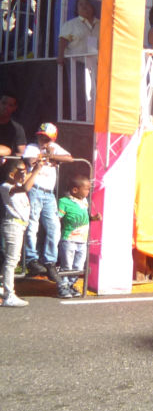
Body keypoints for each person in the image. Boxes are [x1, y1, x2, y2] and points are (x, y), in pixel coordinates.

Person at [22, 123, 73, 281]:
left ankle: (50, 261)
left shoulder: (54, 147)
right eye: (40, 136)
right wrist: (45, 155)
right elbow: (29, 161)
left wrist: (51, 156)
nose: (42, 140)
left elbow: (69, 158)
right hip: (35, 189)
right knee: (32, 225)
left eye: (46, 138)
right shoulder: (32, 147)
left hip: (49, 193)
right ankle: (31, 259)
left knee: (54, 227)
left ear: (52, 139)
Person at [1, 156, 42, 307]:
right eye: (21, 171)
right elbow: (25, 187)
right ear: (12, 174)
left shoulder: (16, 182)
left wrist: (35, 168)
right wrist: (36, 171)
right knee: (11, 261)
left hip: (19, 226)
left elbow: (25, 181)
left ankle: (5, 289)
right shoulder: (6, 186)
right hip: (13, 226)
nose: (25, 174)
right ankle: (9, 295)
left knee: (12, 259)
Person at [57, 0, 100, 121]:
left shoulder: (100, 23)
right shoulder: (71, 24)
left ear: (93, 7)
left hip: (96, 63)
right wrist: (60, 57)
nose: (84, 7)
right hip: (78, 63)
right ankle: (82, 119)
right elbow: (63, 40)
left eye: (87, 4)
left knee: (95, 92)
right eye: (81, 5)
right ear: (77, 9)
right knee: (81, 93)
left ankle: (95, 118)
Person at [56, 174, 97, 298]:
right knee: (67, 265)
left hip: (82, 240)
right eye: (86, 189)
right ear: (75, 190)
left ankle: (71, 285)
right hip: (69, 239)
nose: (88, 191)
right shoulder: (64, 201)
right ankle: (63, 286)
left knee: (78, 265)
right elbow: (57, 218)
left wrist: (94, 218)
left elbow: (84, 217)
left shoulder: (84, 202)